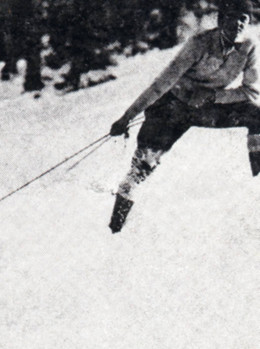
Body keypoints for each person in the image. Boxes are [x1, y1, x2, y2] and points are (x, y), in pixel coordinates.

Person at [108, 0, 260, 233]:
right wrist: (126, 118)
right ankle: (115, 229)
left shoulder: (249, 47)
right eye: (233, 17)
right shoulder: (199, 44)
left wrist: (213, 97)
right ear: (221, 20)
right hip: (172, 107)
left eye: (244, 19)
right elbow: (161, 84)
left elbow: (251, 91)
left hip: (206, 108)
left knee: (256, 115)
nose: (239, 24)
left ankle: (257, 185)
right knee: (143, 165)